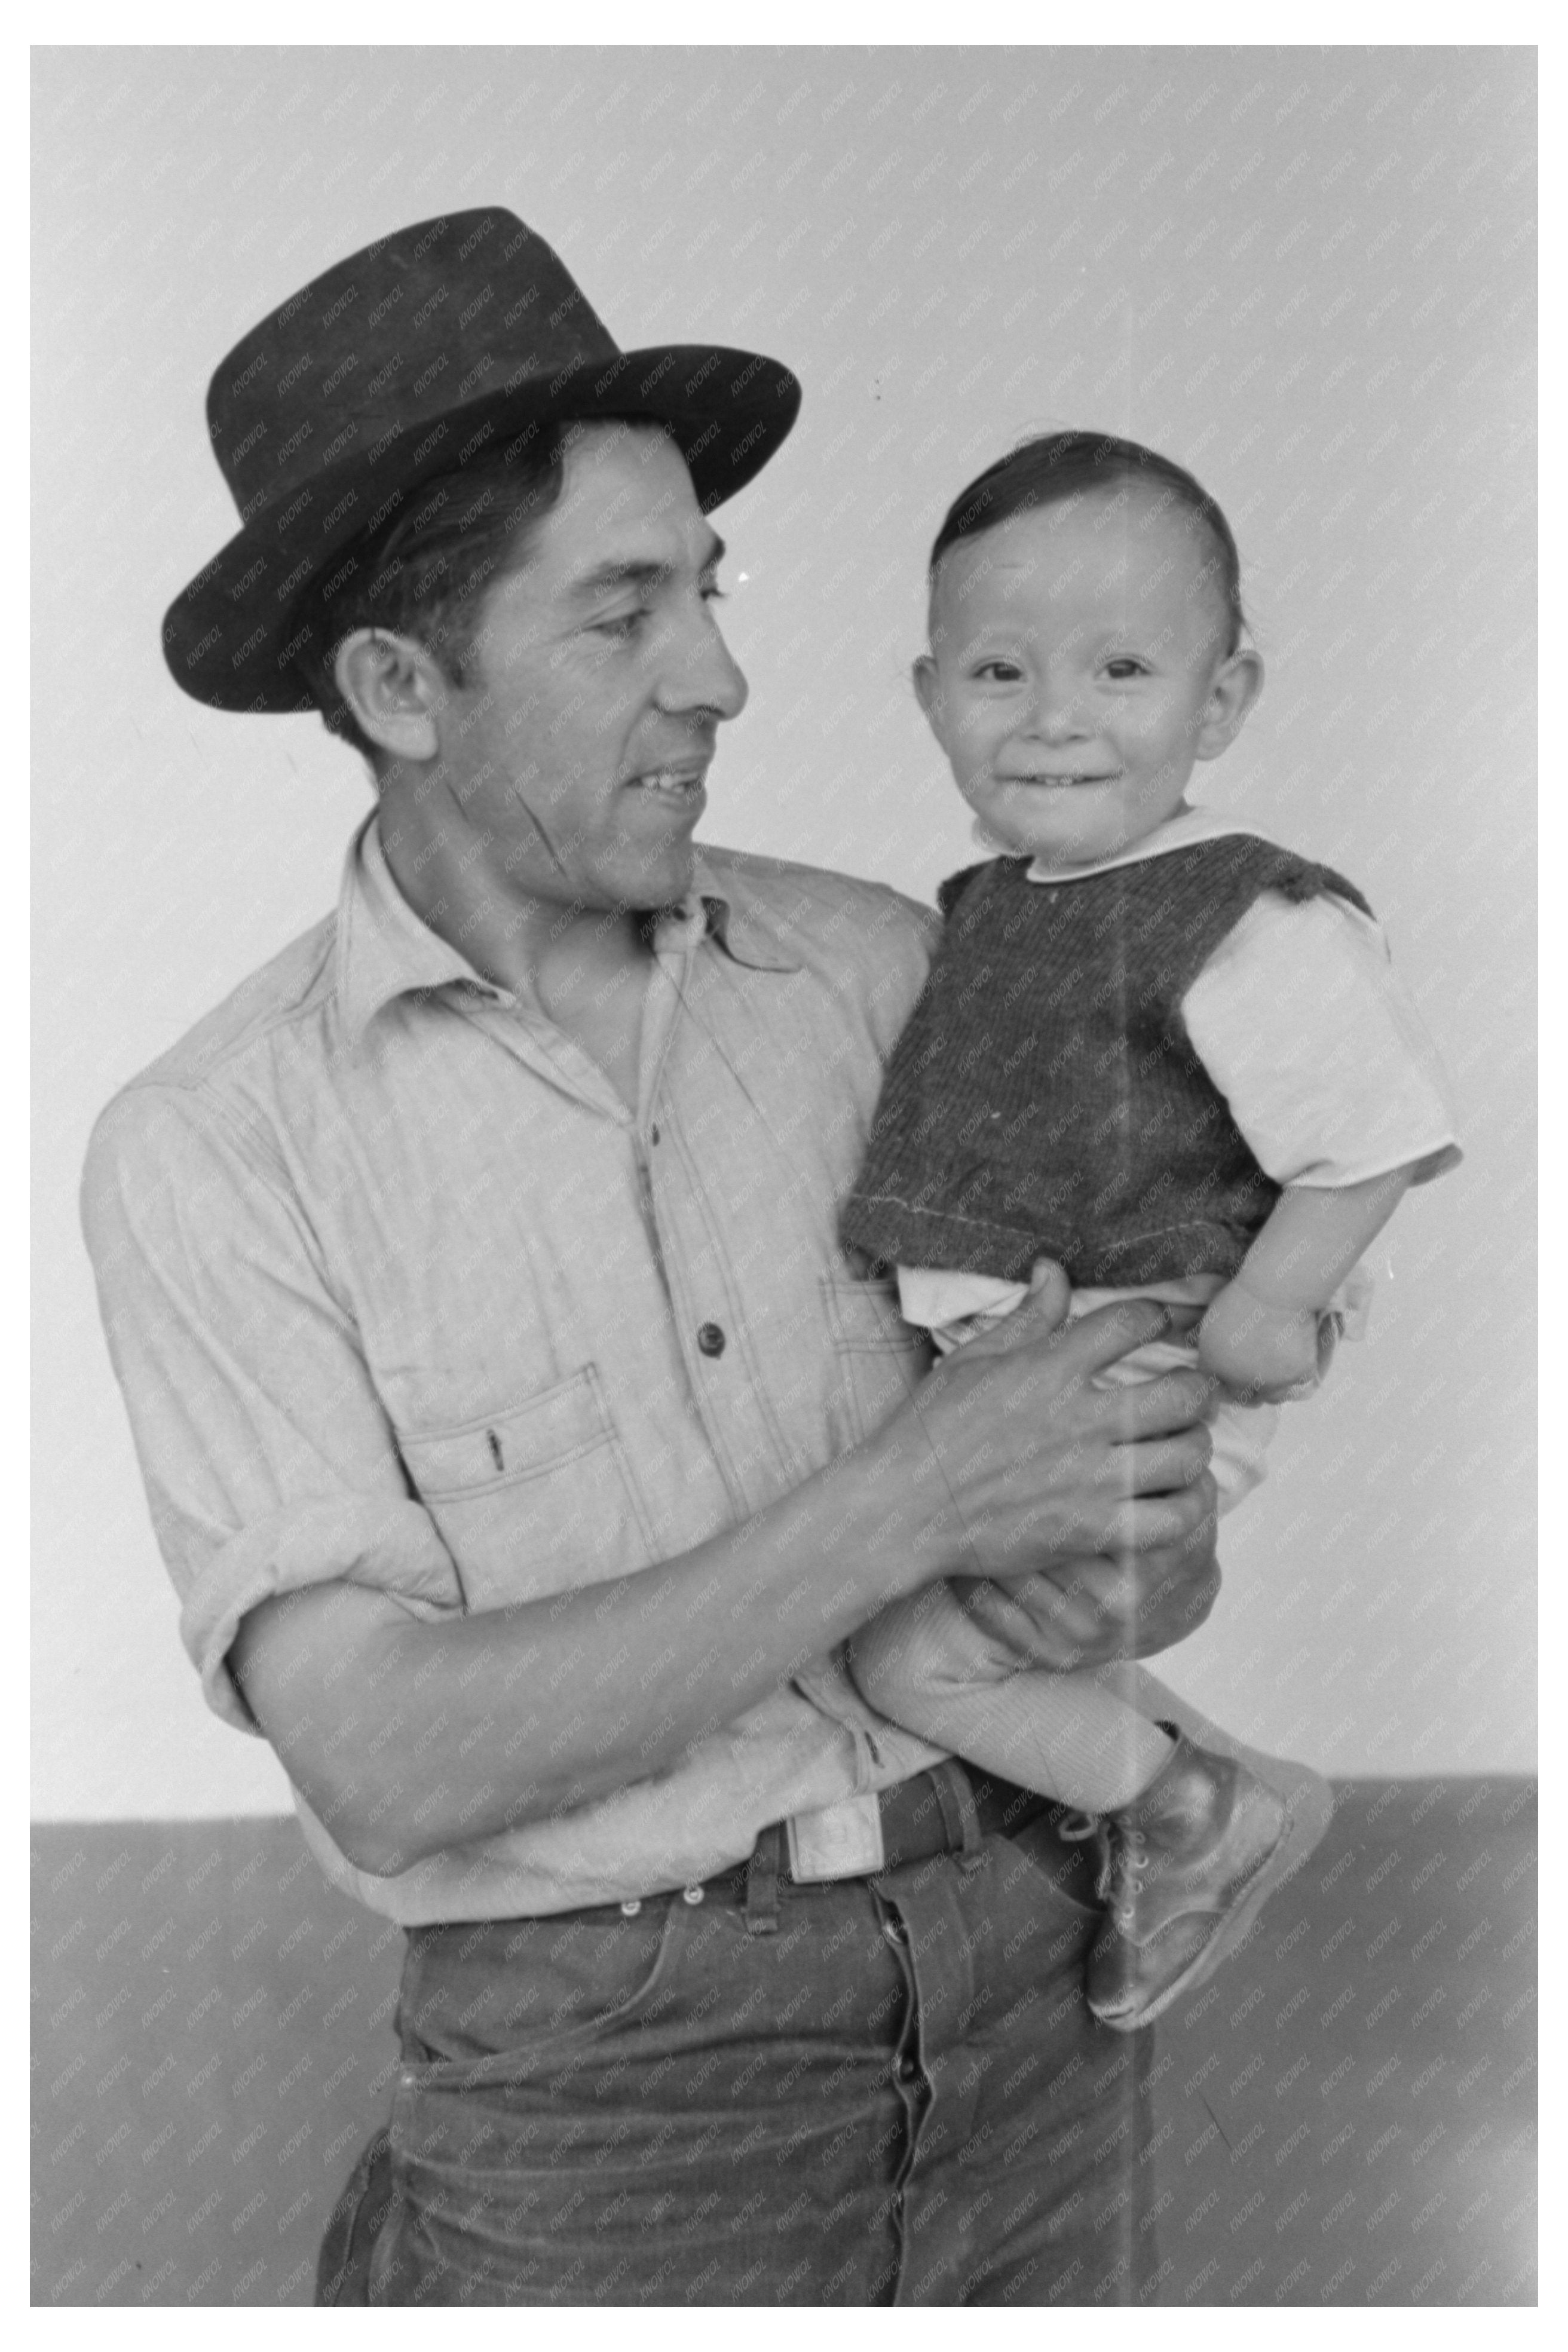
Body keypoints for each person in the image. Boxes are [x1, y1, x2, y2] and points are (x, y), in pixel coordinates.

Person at [85, 210, 1258, 2308]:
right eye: (624, 613)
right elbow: (390, 1754)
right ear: (397, 685)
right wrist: (914, 1498)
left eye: (706, 591)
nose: (720, 673)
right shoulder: (212, 1151)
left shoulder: (901, 971)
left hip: (1040, 1978)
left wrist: (1134, 1519)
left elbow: (1129, 1519)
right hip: (607, 2095)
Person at [841, 431, 1460, 2034]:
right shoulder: (995, 903)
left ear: (1224, 700)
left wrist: (1267, 1319)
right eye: (1000, 671)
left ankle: (1193, 1814)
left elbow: (1371, 1132)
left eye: (1122, 668)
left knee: (913, 1657)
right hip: (1029, 1378)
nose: (1054, 716)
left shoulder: (1241, 913)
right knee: (920, 1618)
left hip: (1144, 1374)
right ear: (930, 700)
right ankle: (1163, 1795)